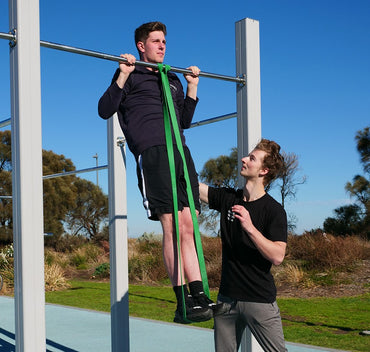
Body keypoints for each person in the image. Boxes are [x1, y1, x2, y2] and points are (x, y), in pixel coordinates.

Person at [98, 21, 224, 324]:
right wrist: (123, 74)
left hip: (180, 152)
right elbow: (105, 109)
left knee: (187, 226)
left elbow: (184, 121)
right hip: (152, 153)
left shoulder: (173, 79)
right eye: (156, 41)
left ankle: (199, 296)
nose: (162, 45)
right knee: (171, 226)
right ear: (142, 45)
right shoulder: (130, 73)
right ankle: (182, 302)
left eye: (164, 41)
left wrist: (192, 87)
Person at [199, 138, 288, 351]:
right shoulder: (229, 198)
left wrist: (249, 227)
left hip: (259, 301)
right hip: (226, 300)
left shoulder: (274, 211)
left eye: (252, 158)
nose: (244, 159)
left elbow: (277, 256)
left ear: (264, 170)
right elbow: (193, 186)